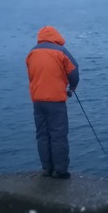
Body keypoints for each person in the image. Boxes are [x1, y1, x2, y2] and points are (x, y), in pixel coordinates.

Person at [26, 26, 79, 179]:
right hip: (55, 100)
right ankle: (60, 170)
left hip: (38, 100)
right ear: (56, 36)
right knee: (58, 135)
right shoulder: (61, 51)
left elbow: (31, 75)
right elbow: (74, 70)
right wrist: (72, 87)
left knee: (42, 135)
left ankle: (46, 169)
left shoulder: (32, 52)